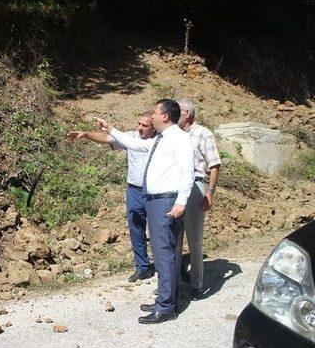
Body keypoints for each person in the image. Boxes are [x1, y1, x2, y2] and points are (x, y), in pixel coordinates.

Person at [98, 99, 195, 324]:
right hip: (154, 201)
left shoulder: (179, 138)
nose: (151, 116)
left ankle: (166, 307)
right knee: (161, 254)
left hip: (166, 201)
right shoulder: (161, 139)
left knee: (165, 254)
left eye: (155, 112)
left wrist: (181, 202)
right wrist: (110, 129)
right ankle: (164, 298)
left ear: (165, 116)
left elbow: (187, 172)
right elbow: (135, 145)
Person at [67, 112, 157, 283]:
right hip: (134, 190)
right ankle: (142, 267)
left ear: (154, 126)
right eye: (138, 124)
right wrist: (86, 135)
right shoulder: (131, 136)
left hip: (154, 191)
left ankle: (165, 265)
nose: (139, 128)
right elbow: (108, 138)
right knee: (136, 228)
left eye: (144, 126)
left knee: (158, 230)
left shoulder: (159, 141)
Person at [175, 98, 222, 298]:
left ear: (188, 114)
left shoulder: (203, 133)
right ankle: (174, 284)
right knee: (174, 239)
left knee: (194, 239)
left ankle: (197, 285)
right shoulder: (173, 135)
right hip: (175, 186)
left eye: (178, 111)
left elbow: (214, 164)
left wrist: (210, 192)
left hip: (195, 185)